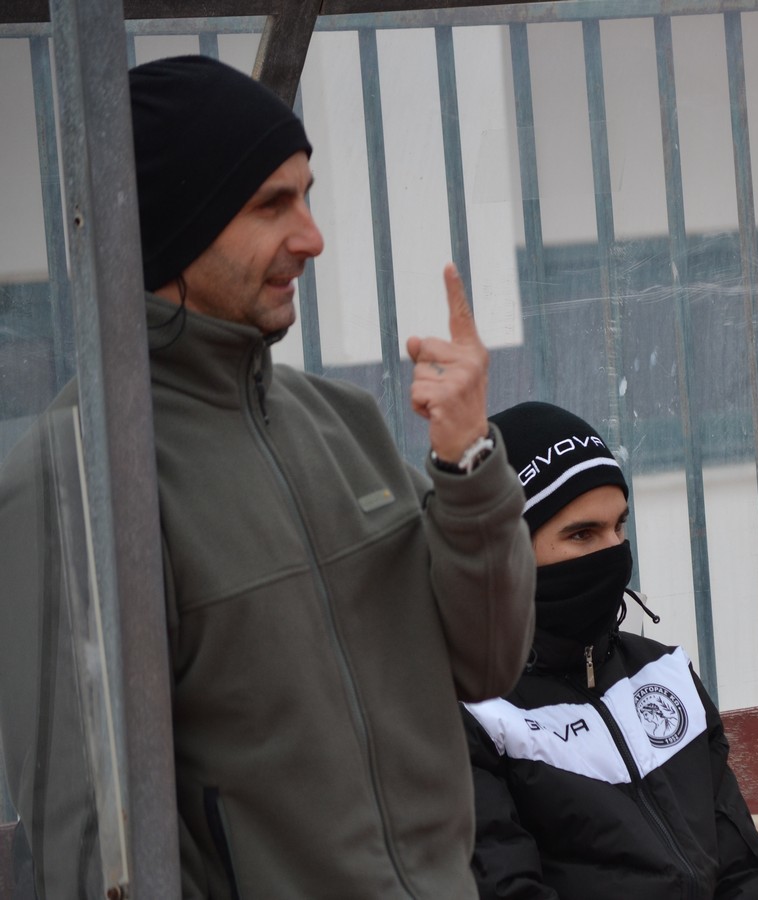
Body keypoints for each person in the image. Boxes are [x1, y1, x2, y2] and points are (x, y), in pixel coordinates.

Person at [0, 55, 535, 899]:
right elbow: (91, 849)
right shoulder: (71, 480)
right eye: (270, 205)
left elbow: (491, 661)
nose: (312, 237)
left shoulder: (344, 421)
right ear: (173, 225)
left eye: (307, 196)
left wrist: (468, 467)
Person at [461, 401, 758, 899]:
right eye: (582, 534)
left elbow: (745, 868)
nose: (613, 552)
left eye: (619, 526)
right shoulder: (471, 714)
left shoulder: (663, 673)